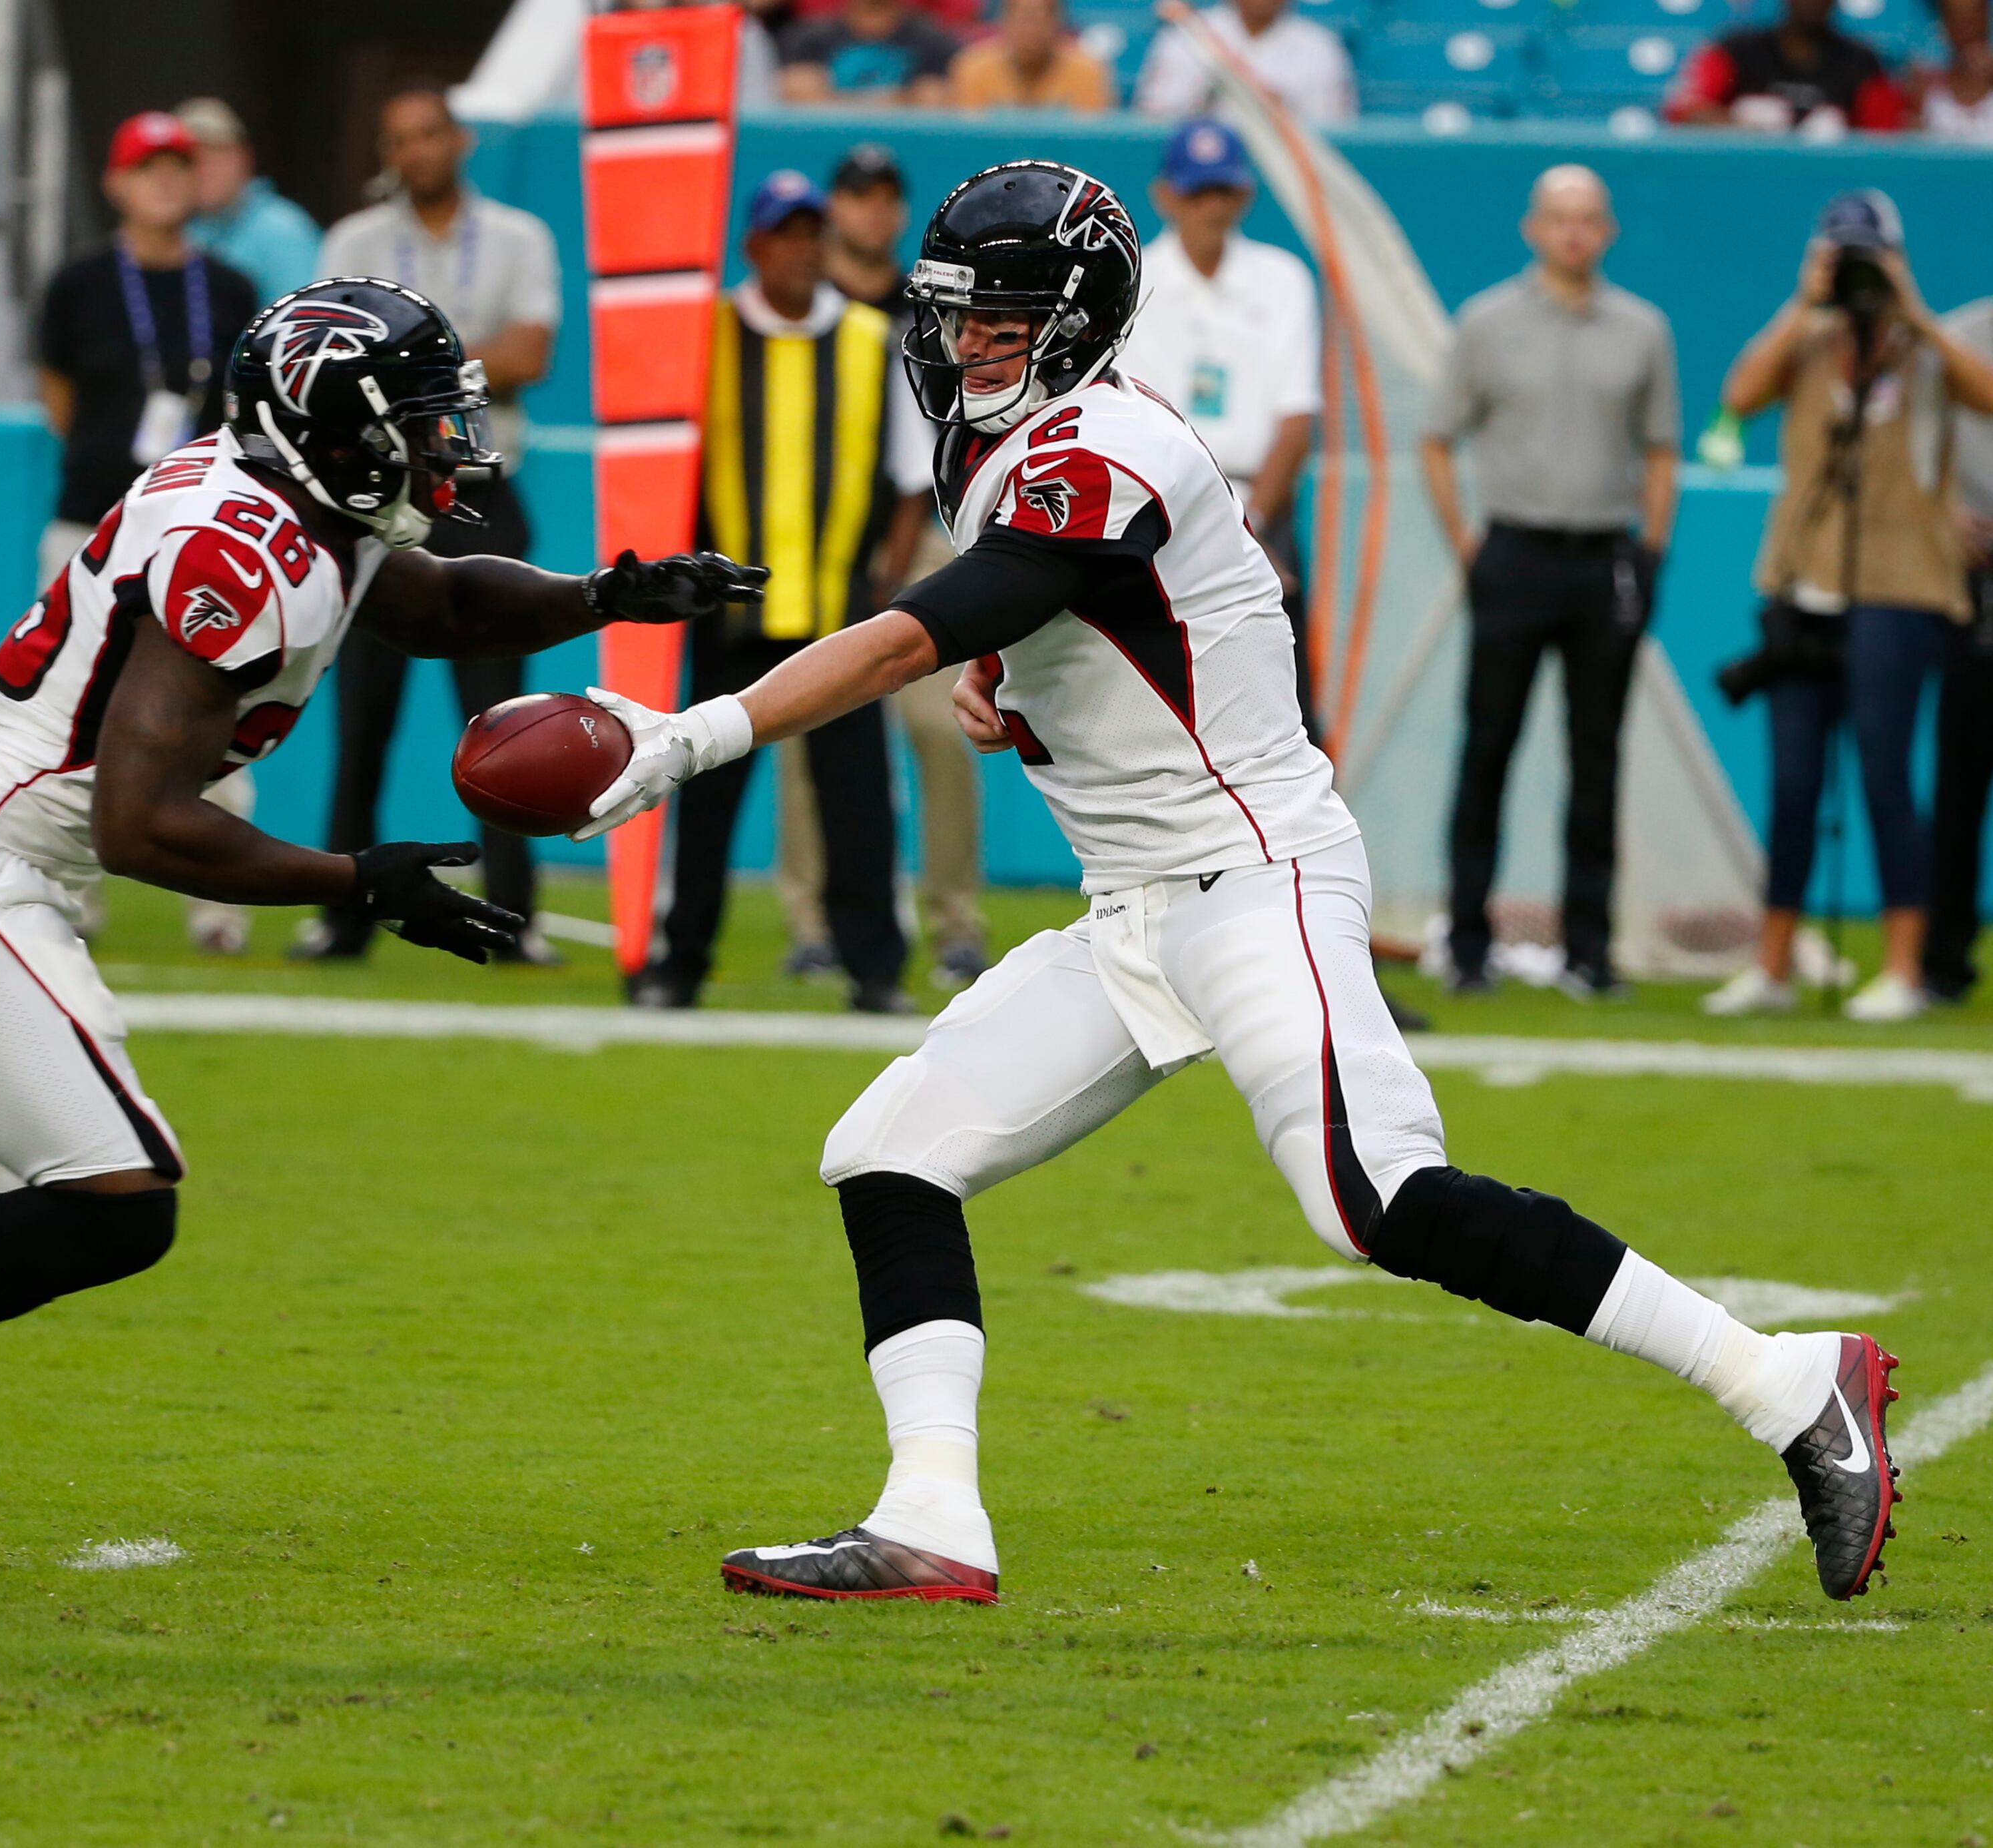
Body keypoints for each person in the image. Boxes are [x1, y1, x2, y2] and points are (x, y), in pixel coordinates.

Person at [570, 159, 1904, 1612]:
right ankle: (933, 1515)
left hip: (1253, 876)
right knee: (890, 1152)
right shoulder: (1006, 448)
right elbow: (1089, 652)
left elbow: (912, 635)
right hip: (1139, 901)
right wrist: (1013, 695)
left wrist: (696, 732)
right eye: (956, 315)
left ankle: (1790, 1382)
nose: (964, 345)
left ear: (1077, 325)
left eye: (1002, 320)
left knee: (1375, 1198)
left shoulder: (1106, 447)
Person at [0, 281, 766, 1576]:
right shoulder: (242, 554)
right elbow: (141, 824)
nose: (443, 444)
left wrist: (610, 595)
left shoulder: (295, 504)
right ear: (333, 428)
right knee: (117, 1200)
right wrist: (360, 878)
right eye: (416, 419)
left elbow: (447, 607)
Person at [632, 172, 926, 1014]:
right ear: (754, 246)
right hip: (729, 617)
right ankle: (678, 960)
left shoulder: (874, 340)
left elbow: (909, 481)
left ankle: (874, 970)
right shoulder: (709, 334)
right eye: (783, 233)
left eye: (811, 233)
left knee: (859, 804)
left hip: (838, 615)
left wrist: (888, 587)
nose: (800, 249)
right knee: (701, 790)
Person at [1705, 192, 1993, 1022]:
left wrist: (1913, 310)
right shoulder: (1808, 341)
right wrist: (1804, 302)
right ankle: (1773, 965)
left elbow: (1985, 393)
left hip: (1902, 587)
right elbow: (1741, 393)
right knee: (1794, 784)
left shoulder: (1929, 350)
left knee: (1884, 774)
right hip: (1805, 583)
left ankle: (1903, 966)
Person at [302, 86, 565, 965]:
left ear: (459, 139)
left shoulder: (521, 236)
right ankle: (343, 914)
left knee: (505, 722)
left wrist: (399, 368)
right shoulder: (354, 243)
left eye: (428, 135)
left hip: (481, 492)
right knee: (361, 719)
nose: (416, 151)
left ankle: (515, 921)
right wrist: (460, 363)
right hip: (379, 502)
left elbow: (532, 357)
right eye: (399, 139)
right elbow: (330, 378)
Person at [1420, 166, 1680, 1000]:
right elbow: (1436, 437)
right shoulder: (1488, 323)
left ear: (1607, 231)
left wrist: (1653, 549)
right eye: (1559, 218)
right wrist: (1467, 542)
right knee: (1487, 749)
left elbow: (1662, 449)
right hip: (1513, 553)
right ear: (1534, 227)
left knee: (1596, 758)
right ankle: (1467, 944)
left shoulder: (1643, 330)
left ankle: (1590, 951)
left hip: (1604, 559)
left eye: (1589, 219)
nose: (1574, 232)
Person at [36, 111, 262, 953]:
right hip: (94, 520)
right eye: (149, 166)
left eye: (179, 165)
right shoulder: (80, 284)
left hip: (203, 529)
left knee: (218, 708)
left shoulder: (232, 288)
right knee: (75, 710)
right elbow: (60, 398)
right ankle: (67, 897)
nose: (166, 180)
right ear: (116, 182)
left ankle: (219, 905)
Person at [778, 146, 988, 991]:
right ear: (835, 207)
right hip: (811, 542)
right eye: (856, 197)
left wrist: (899, 559)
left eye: (884, 197)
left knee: (942, 734)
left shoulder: (929, 310)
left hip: (919, 542)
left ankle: (956, 922)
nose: (870, 212)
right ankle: (813, 921)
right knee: (806, 735)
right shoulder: (801, 306)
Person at [1123, 119, 1322, 746]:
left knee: (1285, 718)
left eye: (1222, 191)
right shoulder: (1137, 281)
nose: (1209, 207)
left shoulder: (1282, 277)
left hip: (1262, 513)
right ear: (1165, 197)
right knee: (1158, 717)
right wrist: (1228, 526)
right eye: (1196, 192)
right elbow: (1137, 421)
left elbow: (1296, 419)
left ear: (1244, 196)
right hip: (1159, 512)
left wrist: (1251, 525)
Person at [1922, 296, 1993, 1000]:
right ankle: (1945, 959)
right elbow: (1911, 447)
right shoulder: (1956, 337)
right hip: (1969, 582)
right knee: (1961, 779)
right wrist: (1943, 514)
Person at [1664, 0, 1905, 131]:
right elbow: (1682, 110)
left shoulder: (1861, 62)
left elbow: (1884, 135)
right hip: (1746, 181)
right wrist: (1742, 126)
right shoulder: (1737, 50)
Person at [176, 97, 323, 306]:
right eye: (190, 161)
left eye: (215, 155)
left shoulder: (283, 229)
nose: (203, 170)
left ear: (245, 157)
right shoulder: (185, 230)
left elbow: (305, 325)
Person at [1134, 0, 1355, 125]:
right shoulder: (1186, 37)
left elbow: (1333, 133)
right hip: (1199, 174)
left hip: (1287, 176)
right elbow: (1153, 121)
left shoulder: (1321, 47)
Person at [777, 0, 960, 106]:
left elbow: (935, 98)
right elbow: (799, 91)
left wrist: (839, 100)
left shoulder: (933, 42)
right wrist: (899, 99)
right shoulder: (809, 39)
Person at [950, 0, 1115, 112]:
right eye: (1023, 19)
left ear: (1058, 23)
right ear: (1003, 21)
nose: (1030, 30)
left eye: (1040, 19)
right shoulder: (973, 68)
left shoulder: (1089, 72)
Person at [1911, 0, 1993, 139]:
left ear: (1986, 17)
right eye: (1957, 18)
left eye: (1972, 17)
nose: (1967, 27)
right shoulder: (1925, 88)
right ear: (1944, 23)